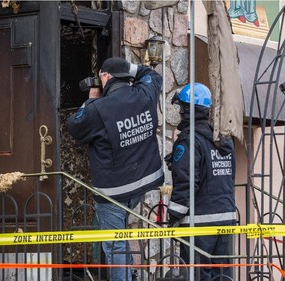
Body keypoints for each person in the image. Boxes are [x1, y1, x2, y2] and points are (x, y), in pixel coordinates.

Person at [67, 57, 164, 281]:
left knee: (114, 245)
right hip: (141, 186)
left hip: (112, 193)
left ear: (106, 77)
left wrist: (91, 100)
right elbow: (153, 75)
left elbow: (74, 125)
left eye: (101, 75)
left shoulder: (98, 108)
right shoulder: (145, 93)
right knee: (121, 234)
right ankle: (129, 273)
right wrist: (126, 69)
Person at [166, 83, 236, 281]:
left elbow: (186, 183)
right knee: (221, 276)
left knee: (197, 276)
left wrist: (173, 216)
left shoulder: (189, 141)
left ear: (187, 110)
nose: (179, 112)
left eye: (181, 107)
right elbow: (225, 177)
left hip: (200, 224)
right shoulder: (222, 140)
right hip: (225, 221)